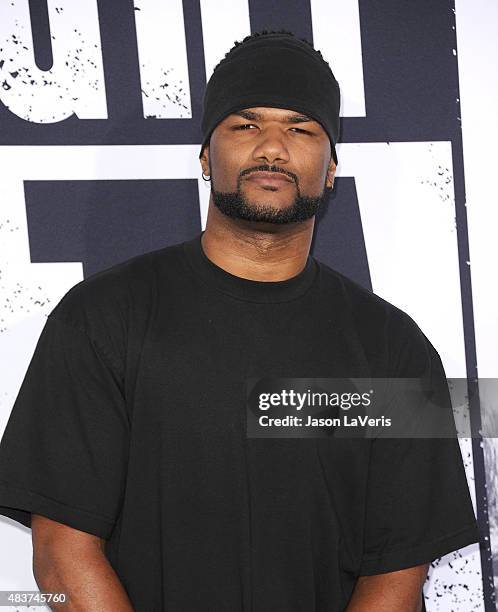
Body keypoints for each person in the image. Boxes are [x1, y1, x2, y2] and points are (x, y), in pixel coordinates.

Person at [0, 29, 479, 611]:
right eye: (245, 125)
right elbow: (61, 552)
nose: (272, 148)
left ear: (331, 168)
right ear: (206, 155)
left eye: (300, 128)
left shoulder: (394, 352)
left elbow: (398, 573)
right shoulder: (102, 319)